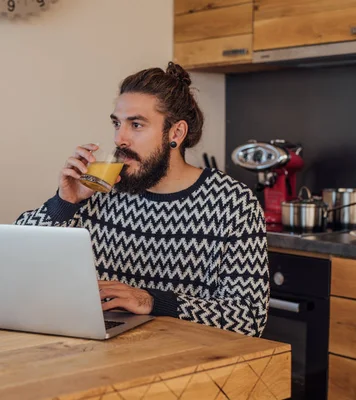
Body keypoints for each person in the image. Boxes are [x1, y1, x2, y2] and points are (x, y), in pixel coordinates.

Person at [15, 62, 269, 336]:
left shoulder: (233, 204)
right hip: (93, 350)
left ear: (176, 133)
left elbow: (248, 317)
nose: (119, 138)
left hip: (184, 361)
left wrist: (151, 301)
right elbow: (16, 258)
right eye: (117, 123)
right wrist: (65, 202)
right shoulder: (100, 191)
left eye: (136, 125)